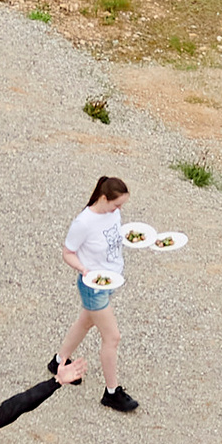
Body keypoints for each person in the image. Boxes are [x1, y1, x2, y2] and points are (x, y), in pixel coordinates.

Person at [55, 171, 139, 413]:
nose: (119, 209)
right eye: (116, 204)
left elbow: (116, 237)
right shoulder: (83, 223)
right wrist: (83, 269)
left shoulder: (114, 214)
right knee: (112, 337)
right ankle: (112, 392)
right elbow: (67, 252)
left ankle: (59, 360)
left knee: (85, 322)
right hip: (93, 287)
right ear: (103, 198)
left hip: (110, 281)